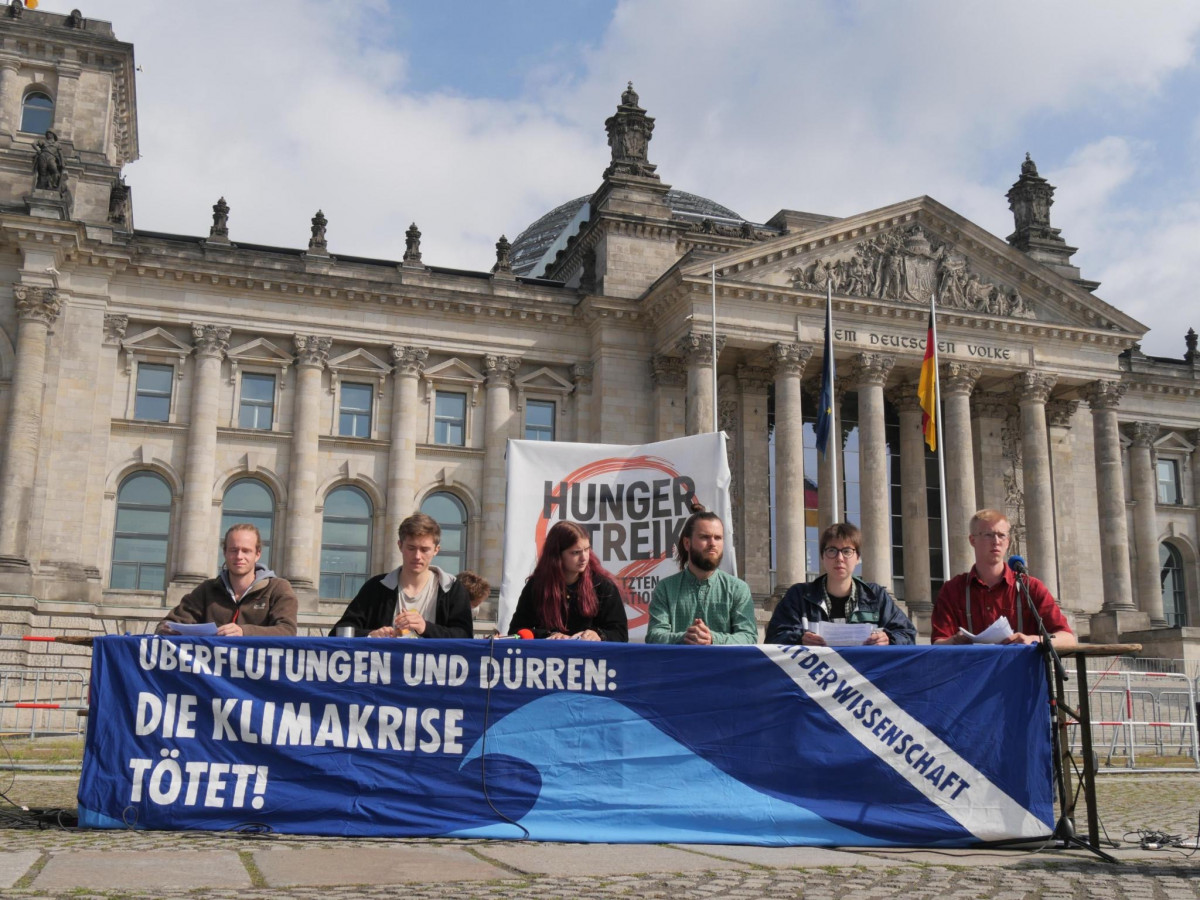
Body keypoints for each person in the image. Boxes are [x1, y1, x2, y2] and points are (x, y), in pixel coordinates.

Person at [930, 509, 1076, 648]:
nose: (996, 541)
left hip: (1020, 670)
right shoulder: (953, 590)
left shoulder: (1030, 587)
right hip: (973, 670)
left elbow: (1067, 638)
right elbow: (937, 642)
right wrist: (954, 641)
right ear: (972, 540)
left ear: (1008, 542)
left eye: (1001, 535)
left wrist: (1032, 639)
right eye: (988, 534)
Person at [766, 522, 916, 645]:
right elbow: (773, 638)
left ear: (858, 558)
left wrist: (889, 639)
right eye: (832, 550)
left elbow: (908, 635)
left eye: (847, 551)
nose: (839, 558)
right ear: (822, 557)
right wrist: (799, 639)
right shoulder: (798, 596)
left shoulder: (875, 596)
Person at [329, 513, 472, 638]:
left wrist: (425, 628)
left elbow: (465, 637)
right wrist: (370, 635)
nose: (417, 556)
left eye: (424, 550)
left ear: (436, 550)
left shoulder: (452, 589)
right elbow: (338, 632)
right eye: (411, 548)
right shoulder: (376, 587)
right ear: (400, 546)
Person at [157, 524, 297, 636]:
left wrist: (244, 632)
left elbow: (287, 631)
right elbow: (168, 623)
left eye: (246, 551)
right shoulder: (207, 589)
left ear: (257, 554)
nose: (239, 556)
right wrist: (167, 629)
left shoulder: (278, 588)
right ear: (225, 552)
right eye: (233, 550)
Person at [646, 511, 757, 645]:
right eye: (705, 537)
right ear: (687, 543)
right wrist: (687, 637)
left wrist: (712, 639)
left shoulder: (738, 589)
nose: (712, 543)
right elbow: (654, 636)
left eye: (718, 537)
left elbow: (749, 637)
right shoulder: (665, 588)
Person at [507, 521, 628, 641]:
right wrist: (548, 635)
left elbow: (620, 634)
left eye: (587, 549)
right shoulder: (536, 586)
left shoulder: (603, 586)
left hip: (592, 658)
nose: (584, 557)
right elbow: (516, 632)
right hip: (547, 658)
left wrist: (598, 635)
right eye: (576, 552)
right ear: (557, 555)